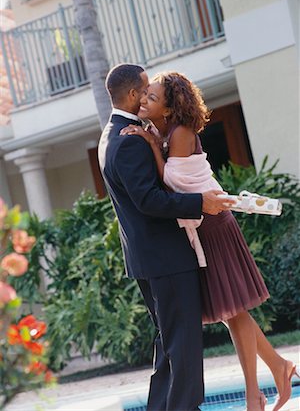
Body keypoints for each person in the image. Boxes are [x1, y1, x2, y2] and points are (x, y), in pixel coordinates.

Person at [120, 71, 298, 411]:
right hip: (202, 227)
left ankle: (254, 396)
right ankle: (278, 368)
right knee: (232, 311)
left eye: (152, 98)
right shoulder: (162, 130)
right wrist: (153, 140)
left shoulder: (182, 133)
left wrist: (152, 146)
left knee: (234, 310)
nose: (144, 100)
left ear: (169, 109)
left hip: (214, 228)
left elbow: (171, 183)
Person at [98, 63, 235, 411]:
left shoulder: (113, 134)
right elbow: (149, 200)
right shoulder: (127, 141)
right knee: (183, 346)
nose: (147, 96)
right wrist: (200, 202)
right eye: (144, 90)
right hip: (166, 259)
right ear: (131, 95)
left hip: (151, 259)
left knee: (171, 348)